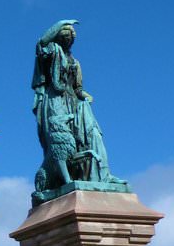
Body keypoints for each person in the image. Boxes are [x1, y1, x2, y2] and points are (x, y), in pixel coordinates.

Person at [31, 20, 123, 195]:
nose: (68, 39)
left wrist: (85, 96)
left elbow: (78, 89)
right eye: (64, 36)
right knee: (59, 139)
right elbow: (41, 44)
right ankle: (62, 179)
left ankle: (102, 174)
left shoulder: (75, 62)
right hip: (54, 101)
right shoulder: (52, 52)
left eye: (70, 36)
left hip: (72, 101)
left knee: (92, 133)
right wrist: (62, 23)